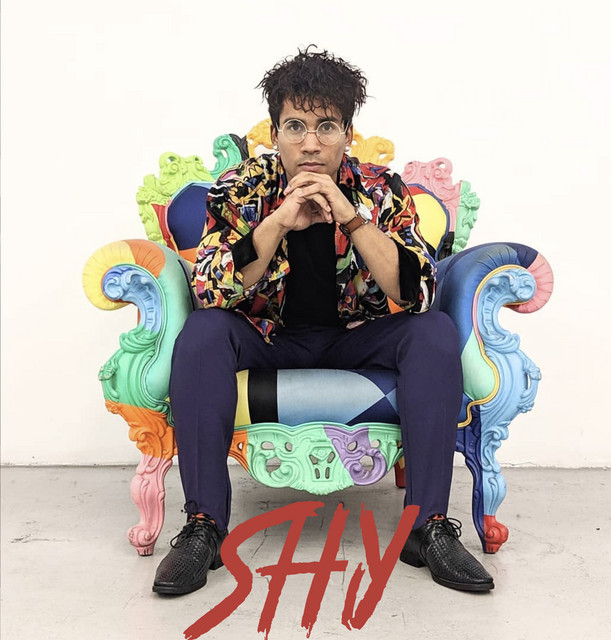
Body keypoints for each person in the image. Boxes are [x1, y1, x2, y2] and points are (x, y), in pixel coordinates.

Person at [152, 46, 494, 596]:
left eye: (326, 127)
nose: (310, 143)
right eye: (295, 127)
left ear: (347, 134)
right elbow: (210, 288)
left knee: (433, 333)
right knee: (203, 333)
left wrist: (351, 217)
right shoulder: (240, 188)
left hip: (358, 336)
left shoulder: (381, 190)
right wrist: (280, 220)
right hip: (266, 337)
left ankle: (426, 526)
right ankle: (203, 527)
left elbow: (417, 292)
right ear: (275, 133)